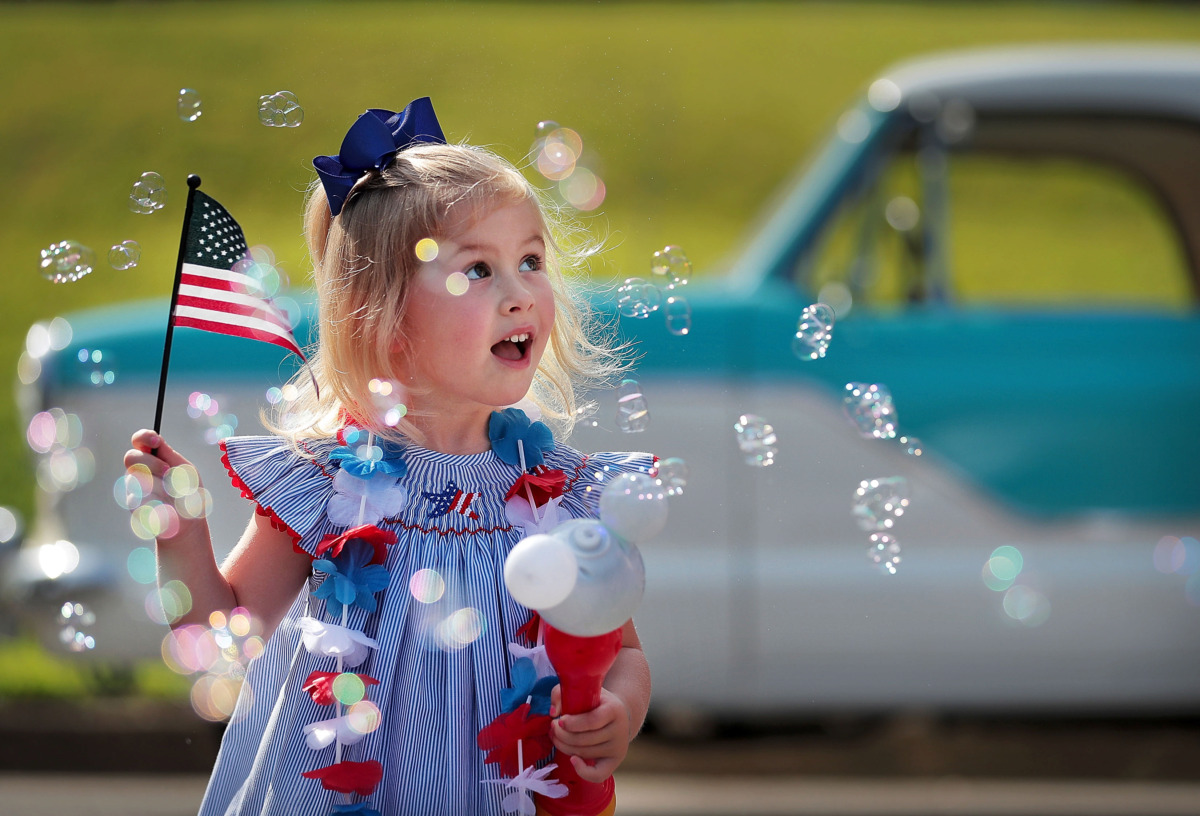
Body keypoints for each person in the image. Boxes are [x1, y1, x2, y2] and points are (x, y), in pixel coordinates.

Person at [125, 98, 654, 816]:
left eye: (530, 261)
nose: (519, 293)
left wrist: (614, 713)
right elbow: (224, 639)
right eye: (477, 271)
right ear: (387, 317)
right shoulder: (328, 483)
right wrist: (178, 531)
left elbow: (619, 650)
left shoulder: (553, 491)